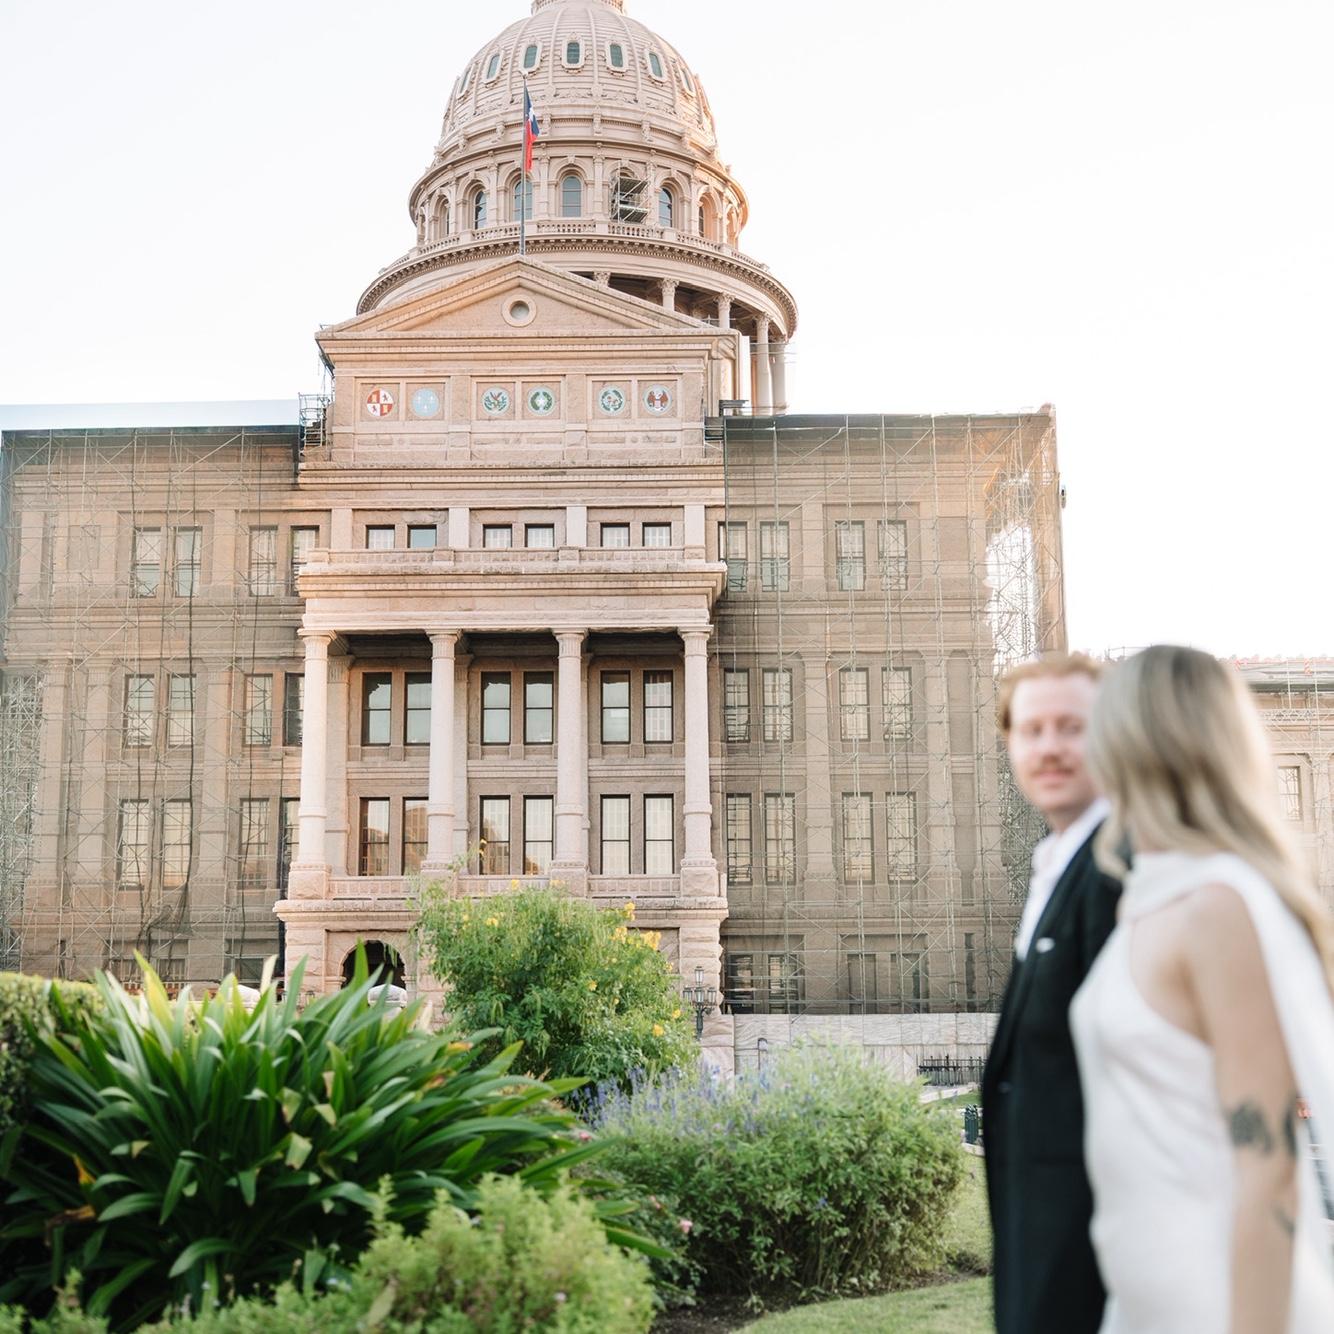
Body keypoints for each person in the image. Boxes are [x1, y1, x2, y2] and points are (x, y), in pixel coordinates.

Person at [1072, 645, 1334, 1331]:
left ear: (1137, 741)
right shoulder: (1151, 899)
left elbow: (1270, 1171)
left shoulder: (1219, 907)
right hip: (1144, 1306)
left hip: (1219, 1306)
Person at [983, 653, 1121, 1334]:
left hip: (1097, 1241)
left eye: (1072, 727)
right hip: (1043, 1230)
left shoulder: (1120, 872)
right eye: (1031, 730)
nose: (1049, 748)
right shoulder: (1059, 863)